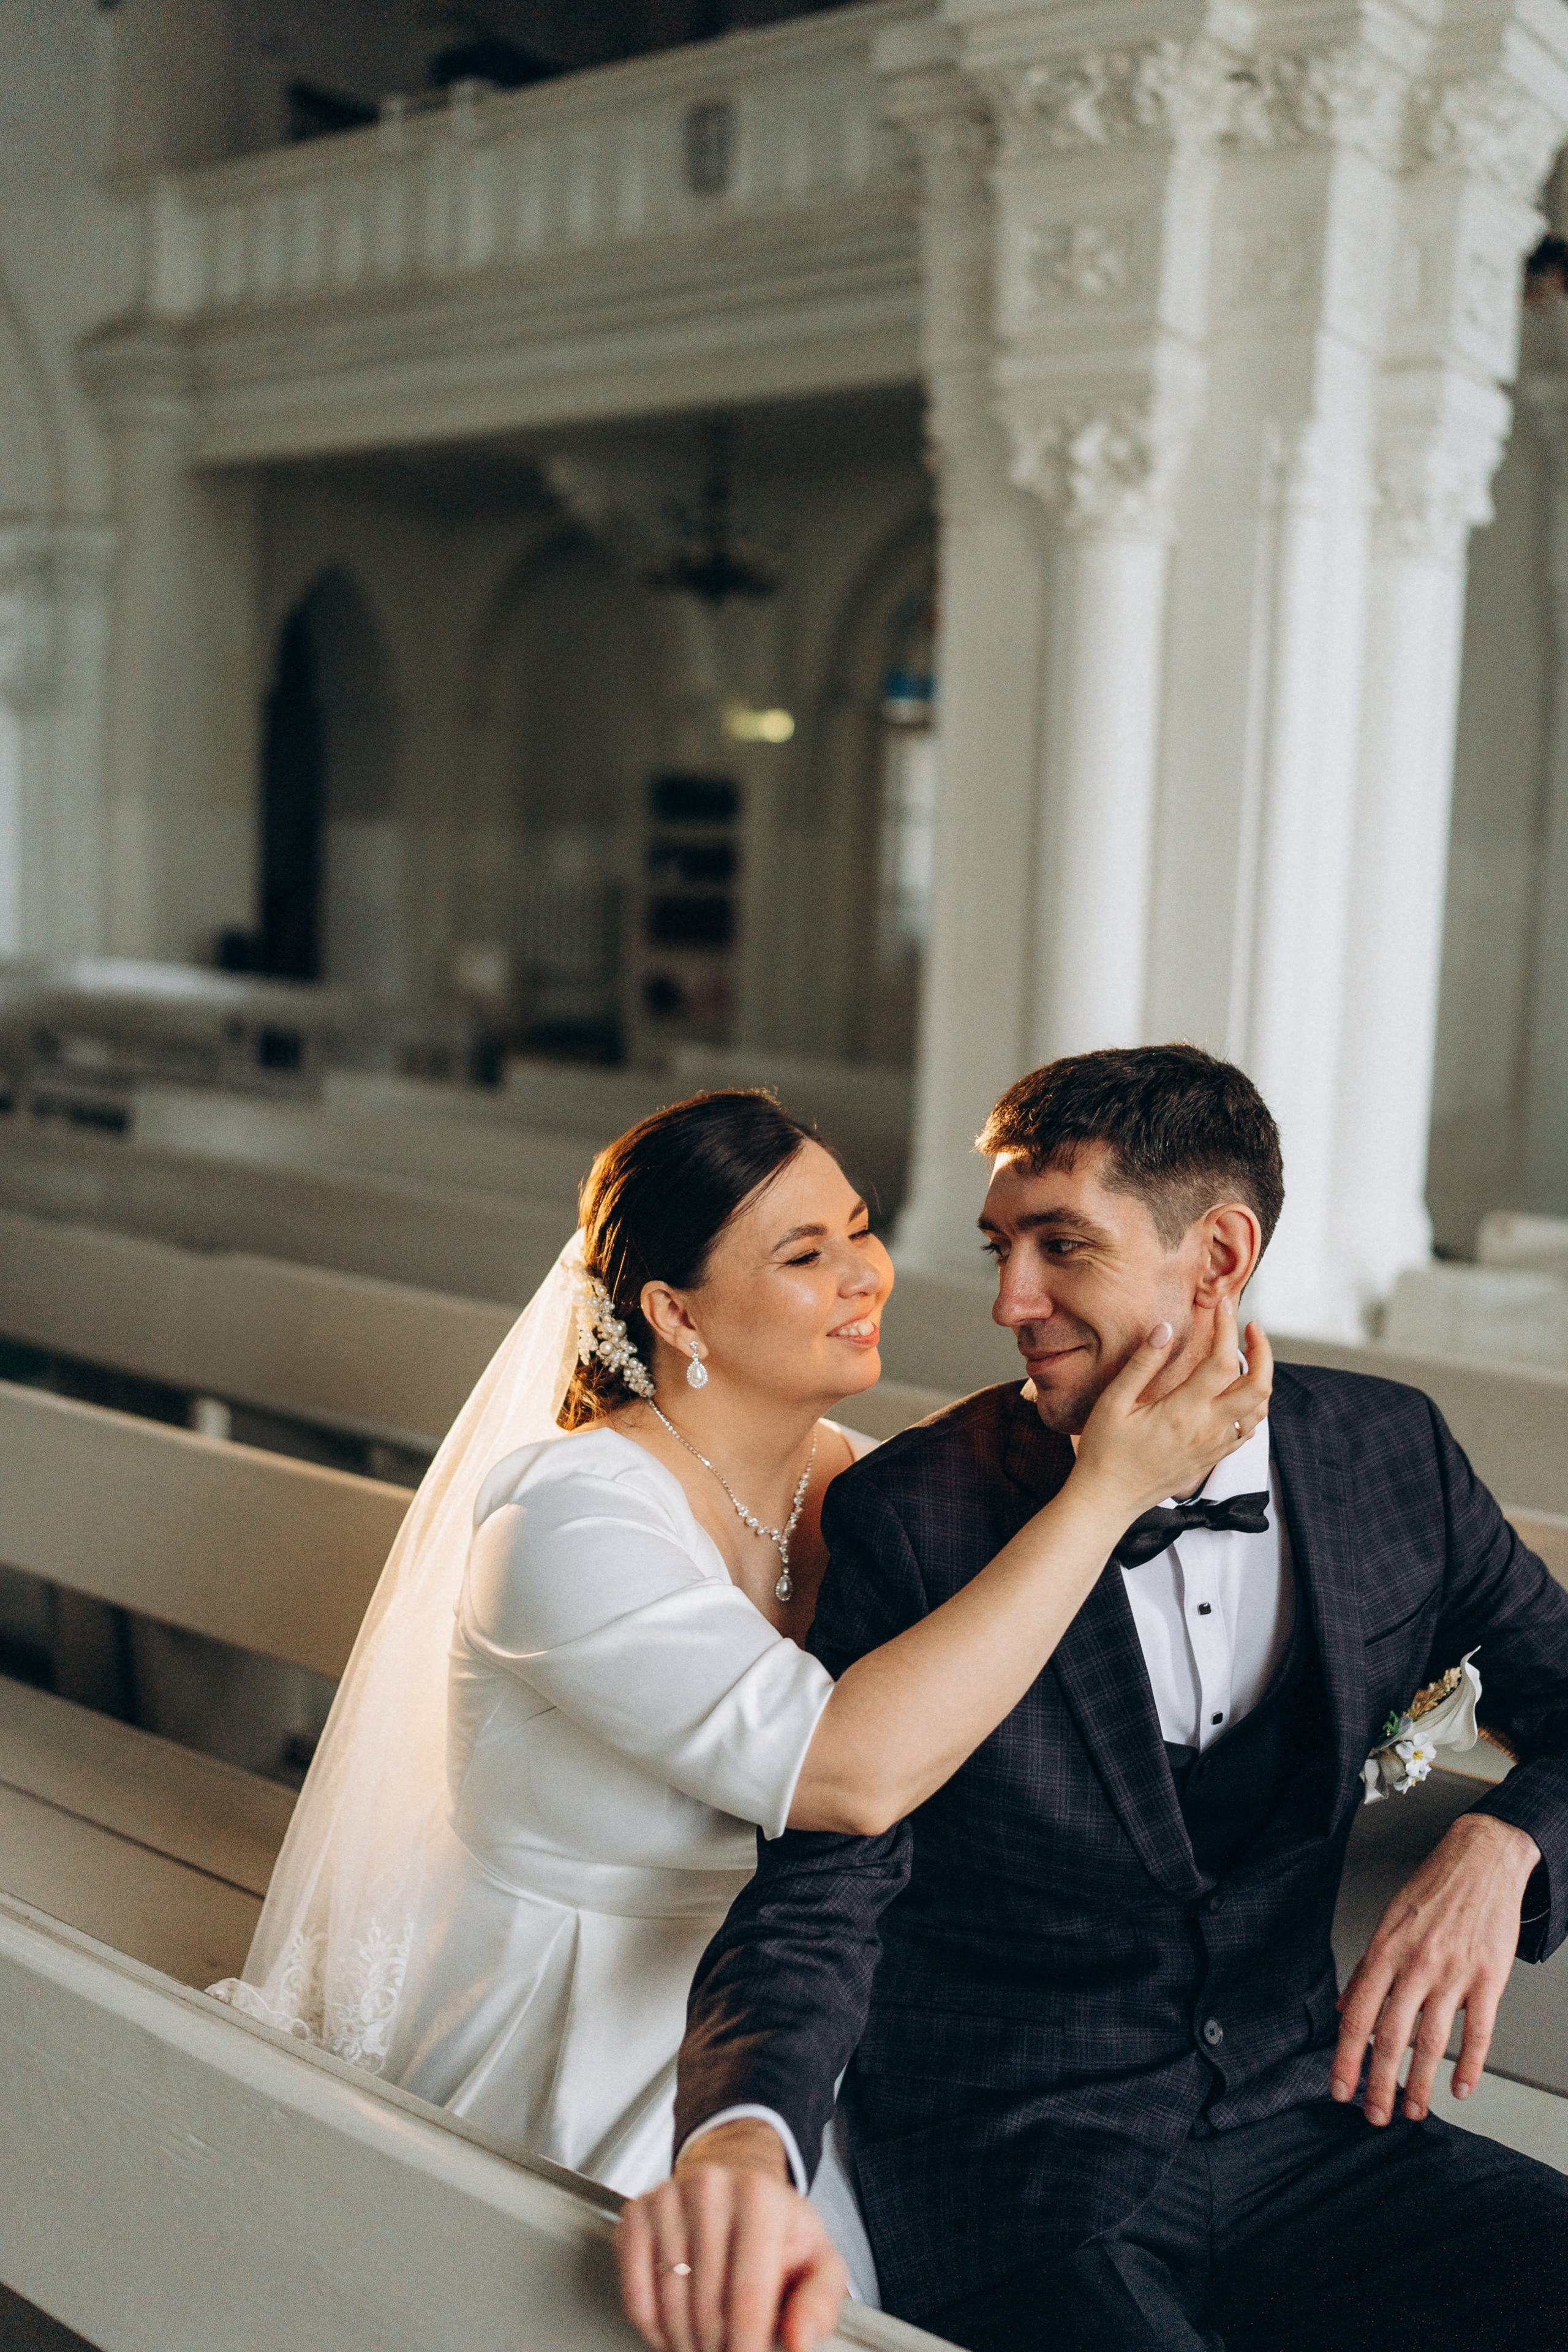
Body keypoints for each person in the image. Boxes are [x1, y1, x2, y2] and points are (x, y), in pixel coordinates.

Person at [212, 1085, 1268, 2277]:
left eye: (859, 1229)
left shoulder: (875, 1487)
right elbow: (845, 1774)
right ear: (674, 1311)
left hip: (811, 2002)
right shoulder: (565, 1519)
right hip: (585, 2033)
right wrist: (1105, 1492)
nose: (865, 1275)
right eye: (804, 1253)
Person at [619, 1045, 1568, 2352]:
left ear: (1218, 1257)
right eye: (999, 1244)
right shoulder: (913, 1513)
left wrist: (1500, 1842)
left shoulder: (1385, 1454)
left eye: (1060, 1246)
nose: (1008, 1299)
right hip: (1018, 2171)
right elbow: (819, 1892)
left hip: (1311, 2126)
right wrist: (740, 2137)